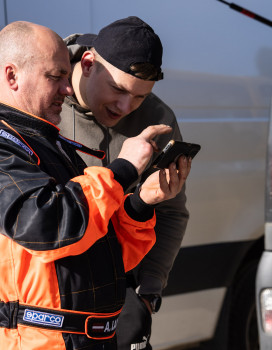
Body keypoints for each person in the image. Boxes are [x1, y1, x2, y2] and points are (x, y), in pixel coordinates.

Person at [0, 21, 191, 350]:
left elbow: (101, 245)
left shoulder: (49, 141)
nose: (66, 88)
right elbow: (48, 225)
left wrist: (142, 203)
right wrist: (122, 170)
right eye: (55, 77)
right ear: (12, 76)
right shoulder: (7, 144)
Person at [59, 16, 189, 349]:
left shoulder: (158, 120)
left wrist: (147, 292)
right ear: (88, 63)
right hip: (47, 302)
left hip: (120, 297)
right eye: (117, 89)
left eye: (139, 97)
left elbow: (172, 212)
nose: (125, 107)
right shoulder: (44, 97)